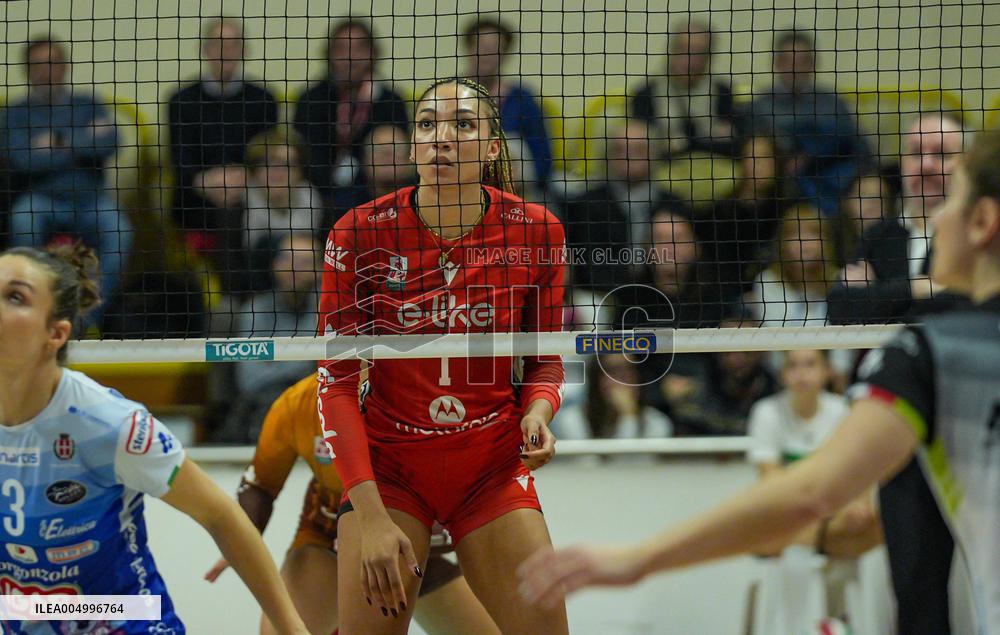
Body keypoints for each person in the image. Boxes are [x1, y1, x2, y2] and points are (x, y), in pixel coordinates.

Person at [519, 129, 1000, 634]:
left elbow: (807, 495)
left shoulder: (930, 354)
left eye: (954, 198)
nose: (937, 217)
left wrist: (639, 559)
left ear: (983, 221)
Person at [318, 77, 568, 635]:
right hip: (391, 471)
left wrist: (538, 414)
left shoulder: (537, 231)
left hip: (491, 465)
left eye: (462, 125)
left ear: (492, 148)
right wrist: (373, 518)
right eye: (428, 125)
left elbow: (545, 362)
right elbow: (334, 384)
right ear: (412, 147)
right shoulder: (358, 233)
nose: (441, 139)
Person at [0, 243, 307, 634]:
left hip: (122, 620)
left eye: (15, 297)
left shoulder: (107, 424)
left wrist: (292, 629)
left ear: (56, 334)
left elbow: (220, 514)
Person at [204, 374, 500, 635]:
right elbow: (260, 485)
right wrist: (241, 535)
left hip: (415, 549)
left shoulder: (428, 398)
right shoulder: (299, 403)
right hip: (329, 541)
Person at [746, 350, 881, 631]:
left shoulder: (842, 412)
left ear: (827, 371)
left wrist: (859, 504)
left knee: (870, 525)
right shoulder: (767, 412)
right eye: (793, 366)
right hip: (787, 518)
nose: (801, 373)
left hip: (831, 518)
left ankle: (839, 623)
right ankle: (811, 626)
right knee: (792, 538)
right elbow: (772, 483)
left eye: (810, 364)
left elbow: (857, 477)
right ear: (783, 373)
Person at [1, 36, 132, 317]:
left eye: (52, 63)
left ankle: (86, 319)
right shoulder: (14, 114)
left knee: (119, 231)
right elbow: (22, 161)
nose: (46, 71)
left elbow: (111, 143)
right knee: (22, 219)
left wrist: (56, 141)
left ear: (65, 66)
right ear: (26, 70)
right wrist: (83, 141)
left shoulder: (89, 103)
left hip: (92, 200)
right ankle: (37, 314)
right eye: (37, 64)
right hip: (41, 200)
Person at [167, 17, 279, 293]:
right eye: (218, 44)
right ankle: (236, 297)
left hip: (250, 191)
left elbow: (267, 151)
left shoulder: (263, 99)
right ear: (205, 50)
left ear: (243, 51)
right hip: (194, 197)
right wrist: (206, 182)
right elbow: (179, 157)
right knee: (227, 211)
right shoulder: (181, 100)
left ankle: (244, 297)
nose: (225, 51)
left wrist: (242, 178)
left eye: (232, 44)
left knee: (237, 209)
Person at [828, 112, 965, 324]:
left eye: (941, 155)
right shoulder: (877, 236)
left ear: (966, 165)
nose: (925, 165)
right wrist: (913, 288)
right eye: (916, 154)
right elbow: (840, 310)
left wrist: (879, 294)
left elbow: (972, 301)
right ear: (902, 163)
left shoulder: (976, 234)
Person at [749, 30, 871, 216]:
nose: (794, 68)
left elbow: (860, 148)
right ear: (777, 64)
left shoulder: (833, 104)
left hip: (832, 183)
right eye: (788, 60)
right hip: (778, 190)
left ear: (813, 64)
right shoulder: (760, 107)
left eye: (801, 61)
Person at [294, 18, 408, 208]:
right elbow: (307, 156)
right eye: (342, 49)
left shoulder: (391, 101)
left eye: (359, 48)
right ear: (329, 54)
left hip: (377, 196)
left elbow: (399, 159)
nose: (350, 57)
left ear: (373, 53)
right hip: (320, 197)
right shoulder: (310, 100)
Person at [460, 17, 554, 191]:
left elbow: (543, 157)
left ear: (505, 54)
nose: (486, 55)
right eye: (481, 47)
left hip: (516, 191)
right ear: (468, 49)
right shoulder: (447, 95)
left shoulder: (522, 99)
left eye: (494, 49)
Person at [631, 16, 741, 158]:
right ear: (671, 51)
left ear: (710, 57)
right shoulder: (646, 94)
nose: (690, 59)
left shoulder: (722, 92)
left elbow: (731, 142)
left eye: (699, 52)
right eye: (684, 49)